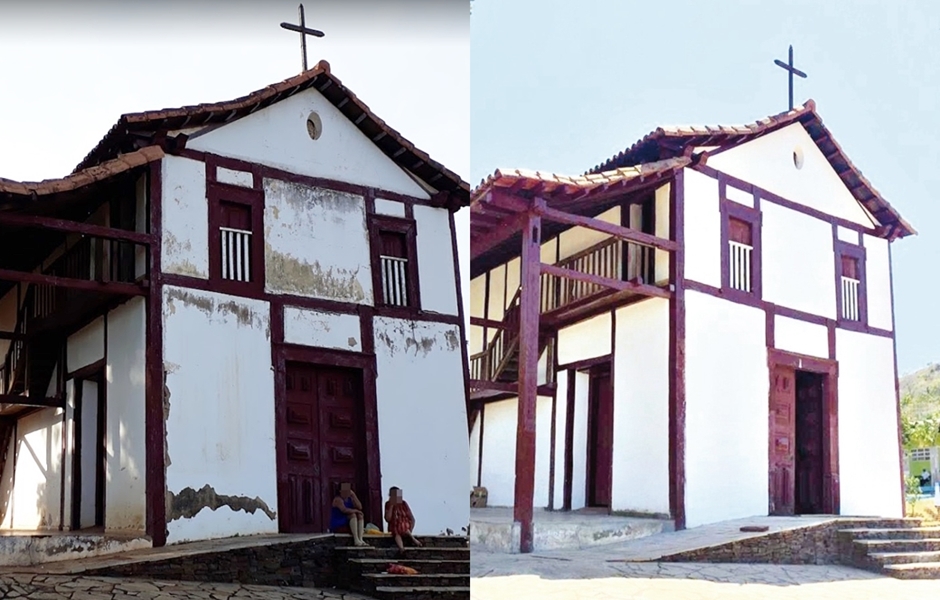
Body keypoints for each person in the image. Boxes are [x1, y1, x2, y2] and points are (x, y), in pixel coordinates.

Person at [385, 486, 422, 552]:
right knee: (396, 530)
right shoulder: (388, 504)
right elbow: (388, 519)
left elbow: (412, 518)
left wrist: (410, 529)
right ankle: (402, 548)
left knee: (402, 526)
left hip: (405, 525)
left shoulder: (404, 504)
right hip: (394, 526)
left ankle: (411, 538)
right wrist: (391, 506)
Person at [331, 482, 369, 547]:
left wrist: (353, 495)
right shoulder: (338, 499)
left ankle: (360, 539)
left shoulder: (350, 499)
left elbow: (360, 507)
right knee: (353, 514)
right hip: (340, 521)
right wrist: (356, 511)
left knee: (360, 515)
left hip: (350, 522)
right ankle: (356, 539)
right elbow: (344, 510)